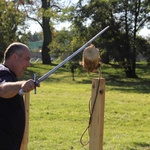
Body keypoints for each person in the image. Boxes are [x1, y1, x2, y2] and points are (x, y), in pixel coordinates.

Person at [0, 42, 37, 150]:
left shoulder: (10, 75)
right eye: (27, 59)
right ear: (15, 57)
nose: (29, 64)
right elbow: (2, 89)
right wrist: (21, 84)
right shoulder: (3, 73)